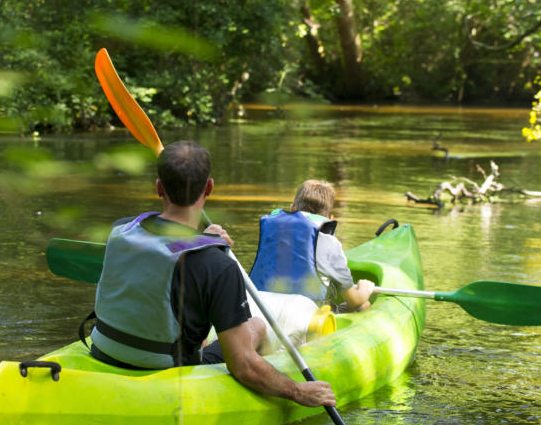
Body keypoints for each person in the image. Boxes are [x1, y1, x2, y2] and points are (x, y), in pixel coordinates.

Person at [89, 140, 335, 409]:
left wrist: (199, 240)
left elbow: (160, 249)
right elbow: (243, 367)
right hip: (168, 369)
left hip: (104, 351)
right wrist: (298, 391)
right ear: (209, 188)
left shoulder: (121, 230)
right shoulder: (217, 265)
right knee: (256, 326)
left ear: (159, 187)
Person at [248, 179, 375, 312]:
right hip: (306, 319)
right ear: (330, 218)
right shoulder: (330, 242)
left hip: (261, 309)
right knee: (363, 305)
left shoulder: (271, 231)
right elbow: (354, 301)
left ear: (292, 208)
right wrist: (364, 289)